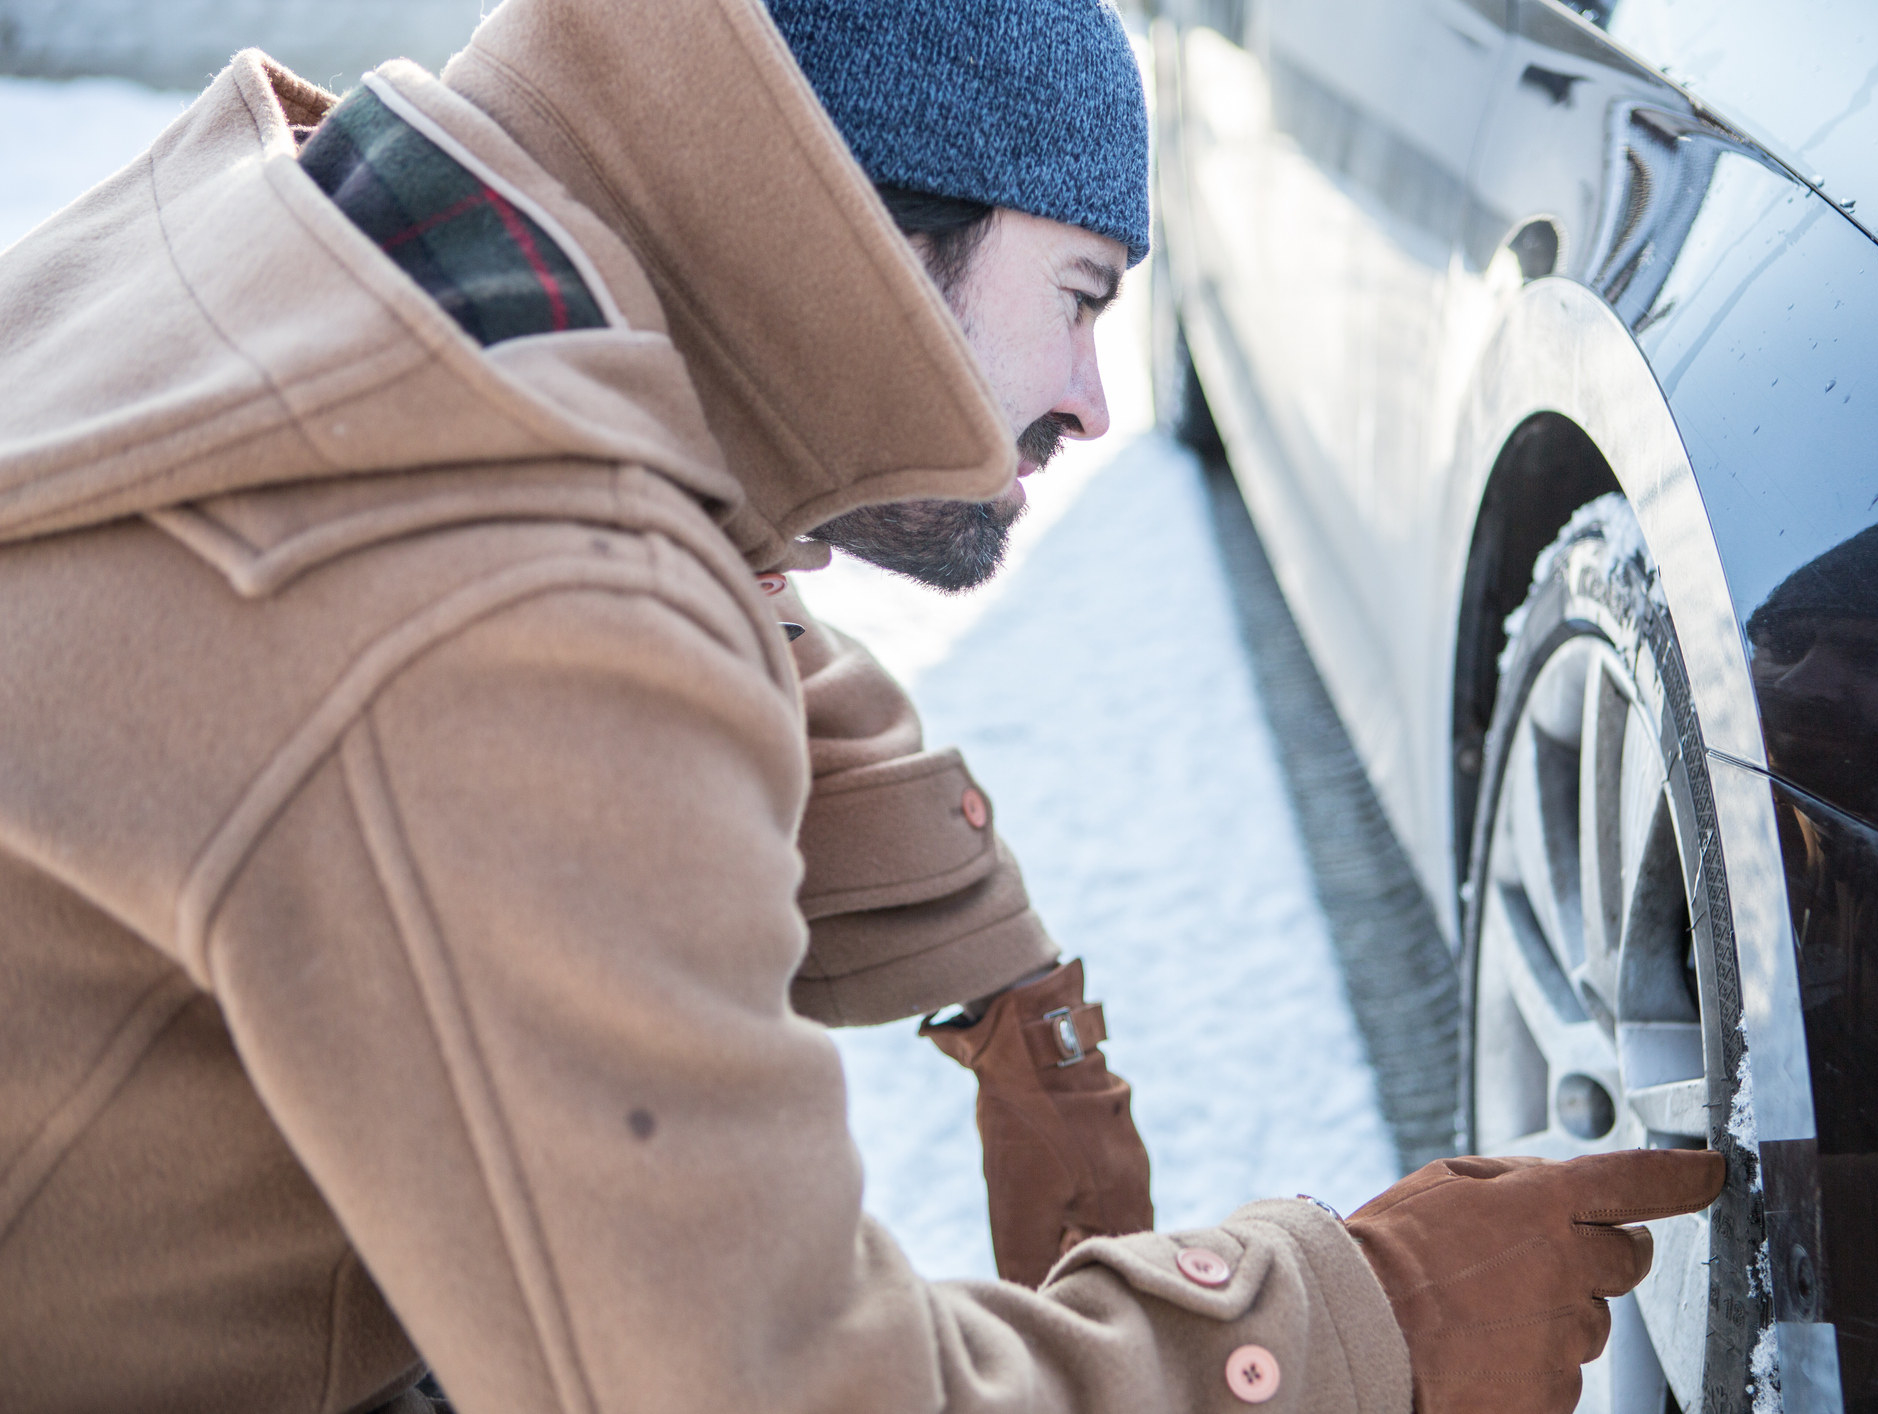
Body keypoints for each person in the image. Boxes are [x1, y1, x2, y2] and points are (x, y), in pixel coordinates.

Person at [0, 0, 1722, 1410]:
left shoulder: (339, 258)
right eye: (1077, 300)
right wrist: (1358, 1321)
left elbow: (652, 547)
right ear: (854, 234)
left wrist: (989, 961)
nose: (1088, 398)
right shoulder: (497, 616)